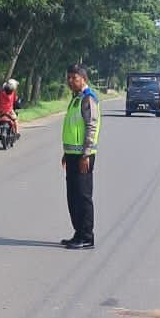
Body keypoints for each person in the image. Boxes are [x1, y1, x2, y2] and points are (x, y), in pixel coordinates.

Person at [59, 64, 100, 249]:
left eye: (74, 78)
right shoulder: (76, 99)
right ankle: (78, 233)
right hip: (72, 155)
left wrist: (86, 154)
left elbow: (91, 127)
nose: (70, 81)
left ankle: (87, 237)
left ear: (83, 79)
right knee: (73, 197)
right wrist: (66, 153)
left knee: (83, 197)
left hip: (83, 156)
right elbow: (73, 128)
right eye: (68, 78)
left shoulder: (88, 99)